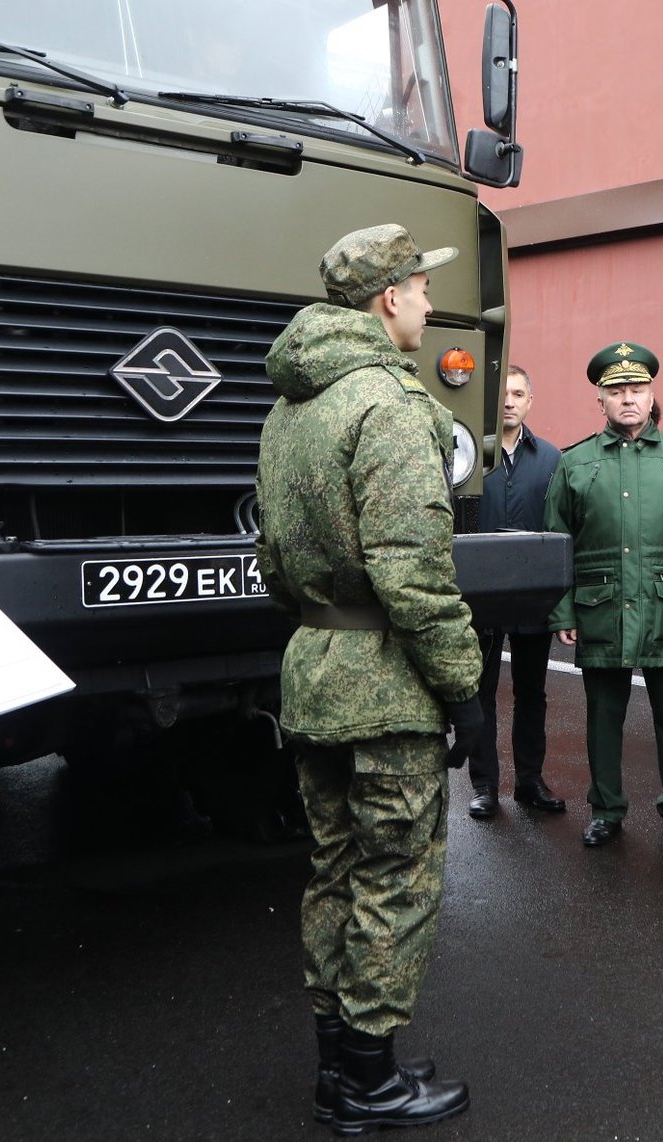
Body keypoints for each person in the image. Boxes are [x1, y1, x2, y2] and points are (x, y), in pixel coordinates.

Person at [254, 223, 476, 1130]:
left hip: (313, 668)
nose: (430, 302)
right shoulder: (388, 404)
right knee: (395, 876)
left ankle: (337, 1067)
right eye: (422, 288)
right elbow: (414, 569)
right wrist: (464, 688)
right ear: (389, 298)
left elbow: (270, 556)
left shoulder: (291, 404)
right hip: (385, 685)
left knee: (334, 870)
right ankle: (371, 1078)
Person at [545, 342, 663, 848]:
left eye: (637, 390)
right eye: (617, 391)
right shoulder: (575, 462)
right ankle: (605, 809)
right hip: (600, 609)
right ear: (599, 400)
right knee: (604, 719)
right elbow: (557, 543)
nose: (628, 399)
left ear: (652, 396)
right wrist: (563, 608)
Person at [466, 365, 565, 820]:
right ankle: (485, 785)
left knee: (532, 693)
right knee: (480, 693)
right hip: (479, 599)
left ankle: (530, 781)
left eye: (518, 393)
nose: (509, 401)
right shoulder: (465, 457)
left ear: (530, 401)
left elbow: (563, 529)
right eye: (502, 393)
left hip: (531, 599)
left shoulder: (551, 459)